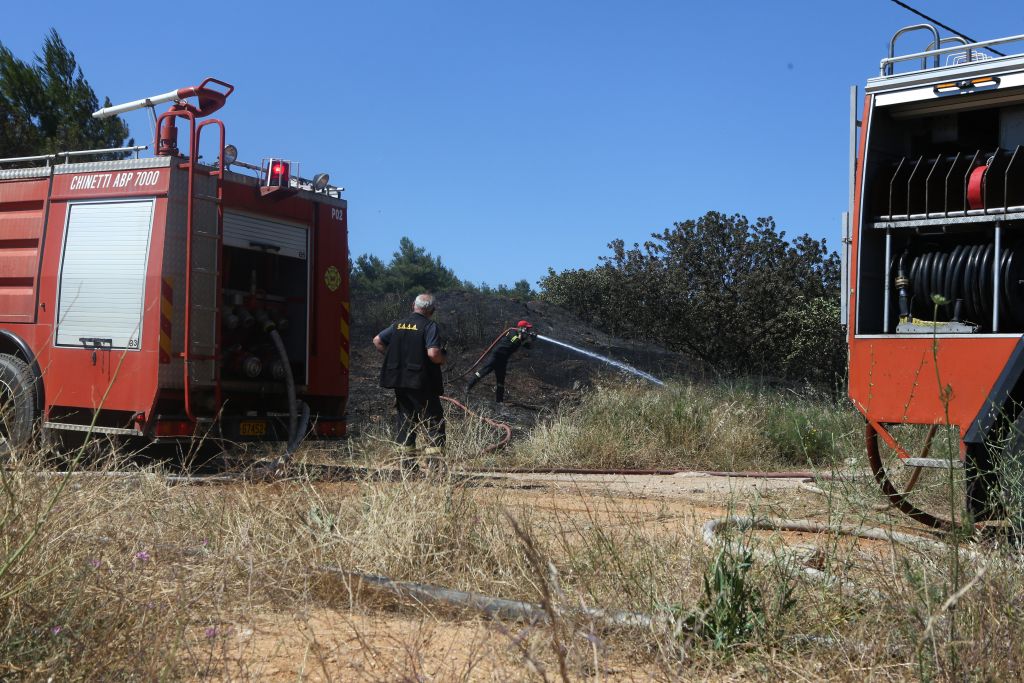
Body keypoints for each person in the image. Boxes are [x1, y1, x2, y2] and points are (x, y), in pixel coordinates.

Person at [373, 293, 447, 471]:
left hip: (400, 381)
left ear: (413, 305)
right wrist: (443, 357)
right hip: (422, 383)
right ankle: (435, 468)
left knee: (406, 421)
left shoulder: (398, 325)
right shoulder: (429, 326)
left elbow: (377, 341)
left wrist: (394, 359)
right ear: (432, 310)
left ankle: (407, 466)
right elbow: (433, 354)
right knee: (433, 422)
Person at [465, 320, 535, 403]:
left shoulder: (522, 337)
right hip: (496, 356)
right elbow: (516, 342)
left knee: (501, 381)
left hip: (503, 360)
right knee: (483, 372)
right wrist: (521, 334)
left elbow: (529, 346)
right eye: (527, 329)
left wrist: (531, 339)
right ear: (521, 328)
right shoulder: (512, 332)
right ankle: (467, 387)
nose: (528, 331)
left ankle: (499, 401)